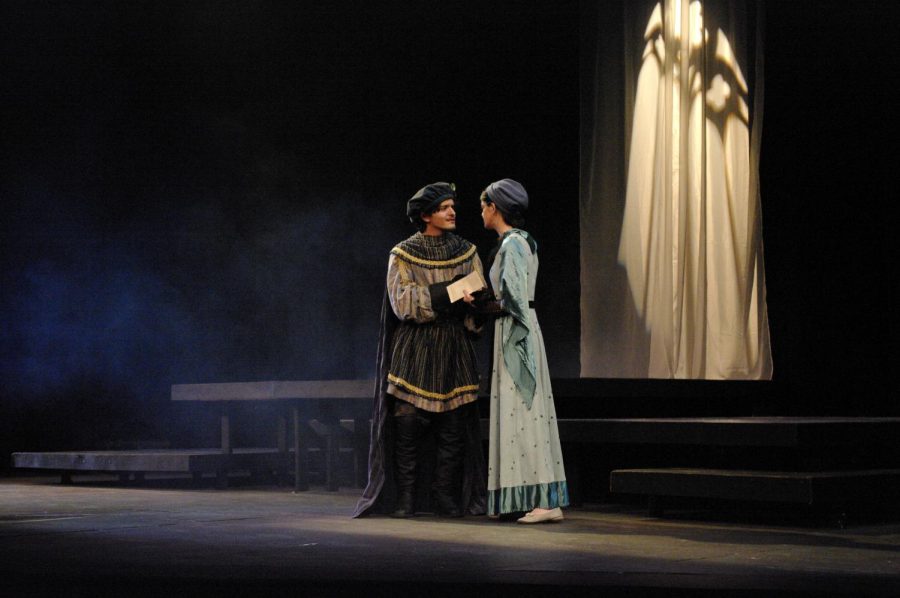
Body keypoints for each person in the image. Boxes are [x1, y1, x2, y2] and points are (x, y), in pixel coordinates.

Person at [353, 182, 487, 519]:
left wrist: (475, 305)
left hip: (454, 348)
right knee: (408, 424)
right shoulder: (402, 254)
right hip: (415, 349)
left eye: (453, 206)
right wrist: (449, 295)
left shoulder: (467, 252)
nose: (452, 212)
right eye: (444, 208)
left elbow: (477, 295)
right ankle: (407, 497)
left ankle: (444, 494)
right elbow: (405, 303)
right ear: (426, 215)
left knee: (454, 429)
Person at [477, 179, 569, 523]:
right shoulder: (514, 243)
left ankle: (545, 501)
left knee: (525, 412)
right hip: (516, 327)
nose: (482, 212)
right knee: (519, 413)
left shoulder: (513, 244)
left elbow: (513, 298)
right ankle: (525, 498)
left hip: (517, 331)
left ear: (495, 208)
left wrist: (481, 304)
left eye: (484, 205)